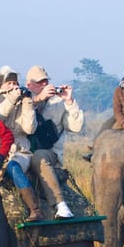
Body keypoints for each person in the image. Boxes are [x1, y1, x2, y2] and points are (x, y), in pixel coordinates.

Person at [0, 66, 44, 221]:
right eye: (8, 83)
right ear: (0, 85)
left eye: (15, 82)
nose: (13, 86)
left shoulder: (23, 102)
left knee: (12, 166)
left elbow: (29, 129)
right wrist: (10, 100)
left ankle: (34, 208)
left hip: (19, 152)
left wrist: (28, 102)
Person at [25, 65, 84, 219]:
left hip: (49, 154)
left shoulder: (59, 102)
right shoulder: (23, 100)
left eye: (46, 82)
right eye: (39, 83)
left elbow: (76, 128)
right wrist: (37, 100)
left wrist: (69, 101)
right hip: (22, 153)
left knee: (39, 156)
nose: (44, 85)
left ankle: (60, 204)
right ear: (29, 85)